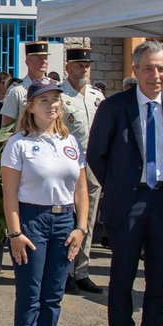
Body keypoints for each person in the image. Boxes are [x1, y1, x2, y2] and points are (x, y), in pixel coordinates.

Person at [86, 40, 163, 326]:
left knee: (159, 278)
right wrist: (120, 187)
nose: (155, 75)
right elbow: (96, 155)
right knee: (123, 276)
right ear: (135, 70)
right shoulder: (115, 107)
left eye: (161, 69)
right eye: (148, 68)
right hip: (128, 202)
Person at [2, 78, 89, 326]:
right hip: (32, 220)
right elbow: (9, 194)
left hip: (64, 220)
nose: (52, 105)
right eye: (44, 100)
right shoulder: (19, 143)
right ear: (30, 106)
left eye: (55, 99)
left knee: (53, 294)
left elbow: (81, 189)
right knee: (31, 293)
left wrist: (81, 227)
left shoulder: (70, 143)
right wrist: (15, 233)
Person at [59, 47, 105, 296]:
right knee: (69, 221)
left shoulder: (97, 97)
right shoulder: (61, 97)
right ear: (68, 67)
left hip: (92, 166)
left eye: (86, 66)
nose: (83, 69)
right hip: (68, 166)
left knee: (87, 221)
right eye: (78, 65)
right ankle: (65, 273)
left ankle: (83, 271)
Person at [0, 42, 49, 129]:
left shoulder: (54, 88)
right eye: (38, 58)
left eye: (45, 57)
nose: (43, 61)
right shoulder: (17, 90)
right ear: (27, 62)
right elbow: (6, 128)